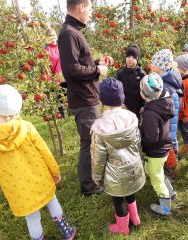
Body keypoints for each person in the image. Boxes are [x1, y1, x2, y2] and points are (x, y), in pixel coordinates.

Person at [0, 85, 76, 240]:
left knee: (31, 217)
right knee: (52, 201)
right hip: (40, 178)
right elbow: (44, 151)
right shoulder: (27, 127)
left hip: (17, 188)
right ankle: (67, 231)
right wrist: (54, 171)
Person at [58, 0, 112, 196]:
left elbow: (80, 63)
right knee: (89, 143)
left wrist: (98, 62)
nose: (90, 13)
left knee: (92, 141)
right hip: (83, 99)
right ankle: (89, 186)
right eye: (89, 9)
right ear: (81, 7)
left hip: (87, 95)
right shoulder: (69, 34)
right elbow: (71, 70)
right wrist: (98, 70)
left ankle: (93, 178)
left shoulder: (74, 32)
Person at [90, 78, 145, 236]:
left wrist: (96, 176)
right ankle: (135, 218)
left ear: (103, 100)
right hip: (133, 166)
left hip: (115, 174)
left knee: (118, 199)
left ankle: (123, 228)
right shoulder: (131, 117)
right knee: (130, 193)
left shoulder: (99, 127)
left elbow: (98, 157)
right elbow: (138, 143)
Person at [139, 73, 176, 215]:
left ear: (143, 93)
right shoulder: (163, 104)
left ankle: (165, 208)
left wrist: (141, 144)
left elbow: (151, 137)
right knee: (155, 171)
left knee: (156, 180)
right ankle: (170, 192)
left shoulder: (150, 114)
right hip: (164, 147)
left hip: (155, 151)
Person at [151, 49, 182, 182]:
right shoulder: (165, 81)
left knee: (168, 148)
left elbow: (167, 110)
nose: (151, 65)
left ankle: (170, 175)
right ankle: (169, 170)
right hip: (168, 123)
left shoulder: (165, 87)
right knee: (170, 145)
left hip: (167, 124)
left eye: (153, 63)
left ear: (160, 66)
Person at [116, 44, 146, 117]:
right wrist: (120, 103)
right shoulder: (121, 73)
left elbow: (145, 91)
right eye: (128, 57)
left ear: (137, 59)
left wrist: (143, 105)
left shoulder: (142, 74)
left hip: (137, 108)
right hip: (123, 107)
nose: (130, 59)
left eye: (133, 57)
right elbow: (118, 90)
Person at [45, 28, 66, 118]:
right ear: (46, 38)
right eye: (50, 35)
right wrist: (50, 78)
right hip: (54, 77)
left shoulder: (60, 46)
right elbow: (46, 65)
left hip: (64, 74)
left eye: (53, 35)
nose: (52, 37)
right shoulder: (47, 50)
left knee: (66, 93)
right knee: (59, 96)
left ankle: (71, 110)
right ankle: (62, 114)